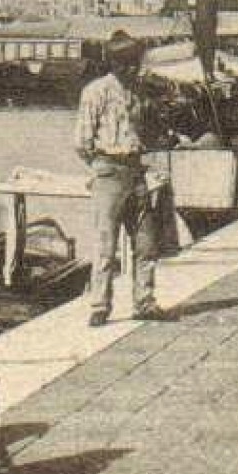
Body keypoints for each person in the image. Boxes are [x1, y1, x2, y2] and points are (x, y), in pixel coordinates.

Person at [75, 31, 175, 327]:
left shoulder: (141, 92)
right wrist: (100, 168)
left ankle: (144, 301)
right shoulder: (96, 92)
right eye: (127, 64)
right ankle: (100, 305)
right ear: (114, 64)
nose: (133, 69)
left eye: (136, 63)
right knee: (105, 244)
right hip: (108, 170)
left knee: (146, 242)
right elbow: (82, 141)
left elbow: (150, 130)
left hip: (136, 170)